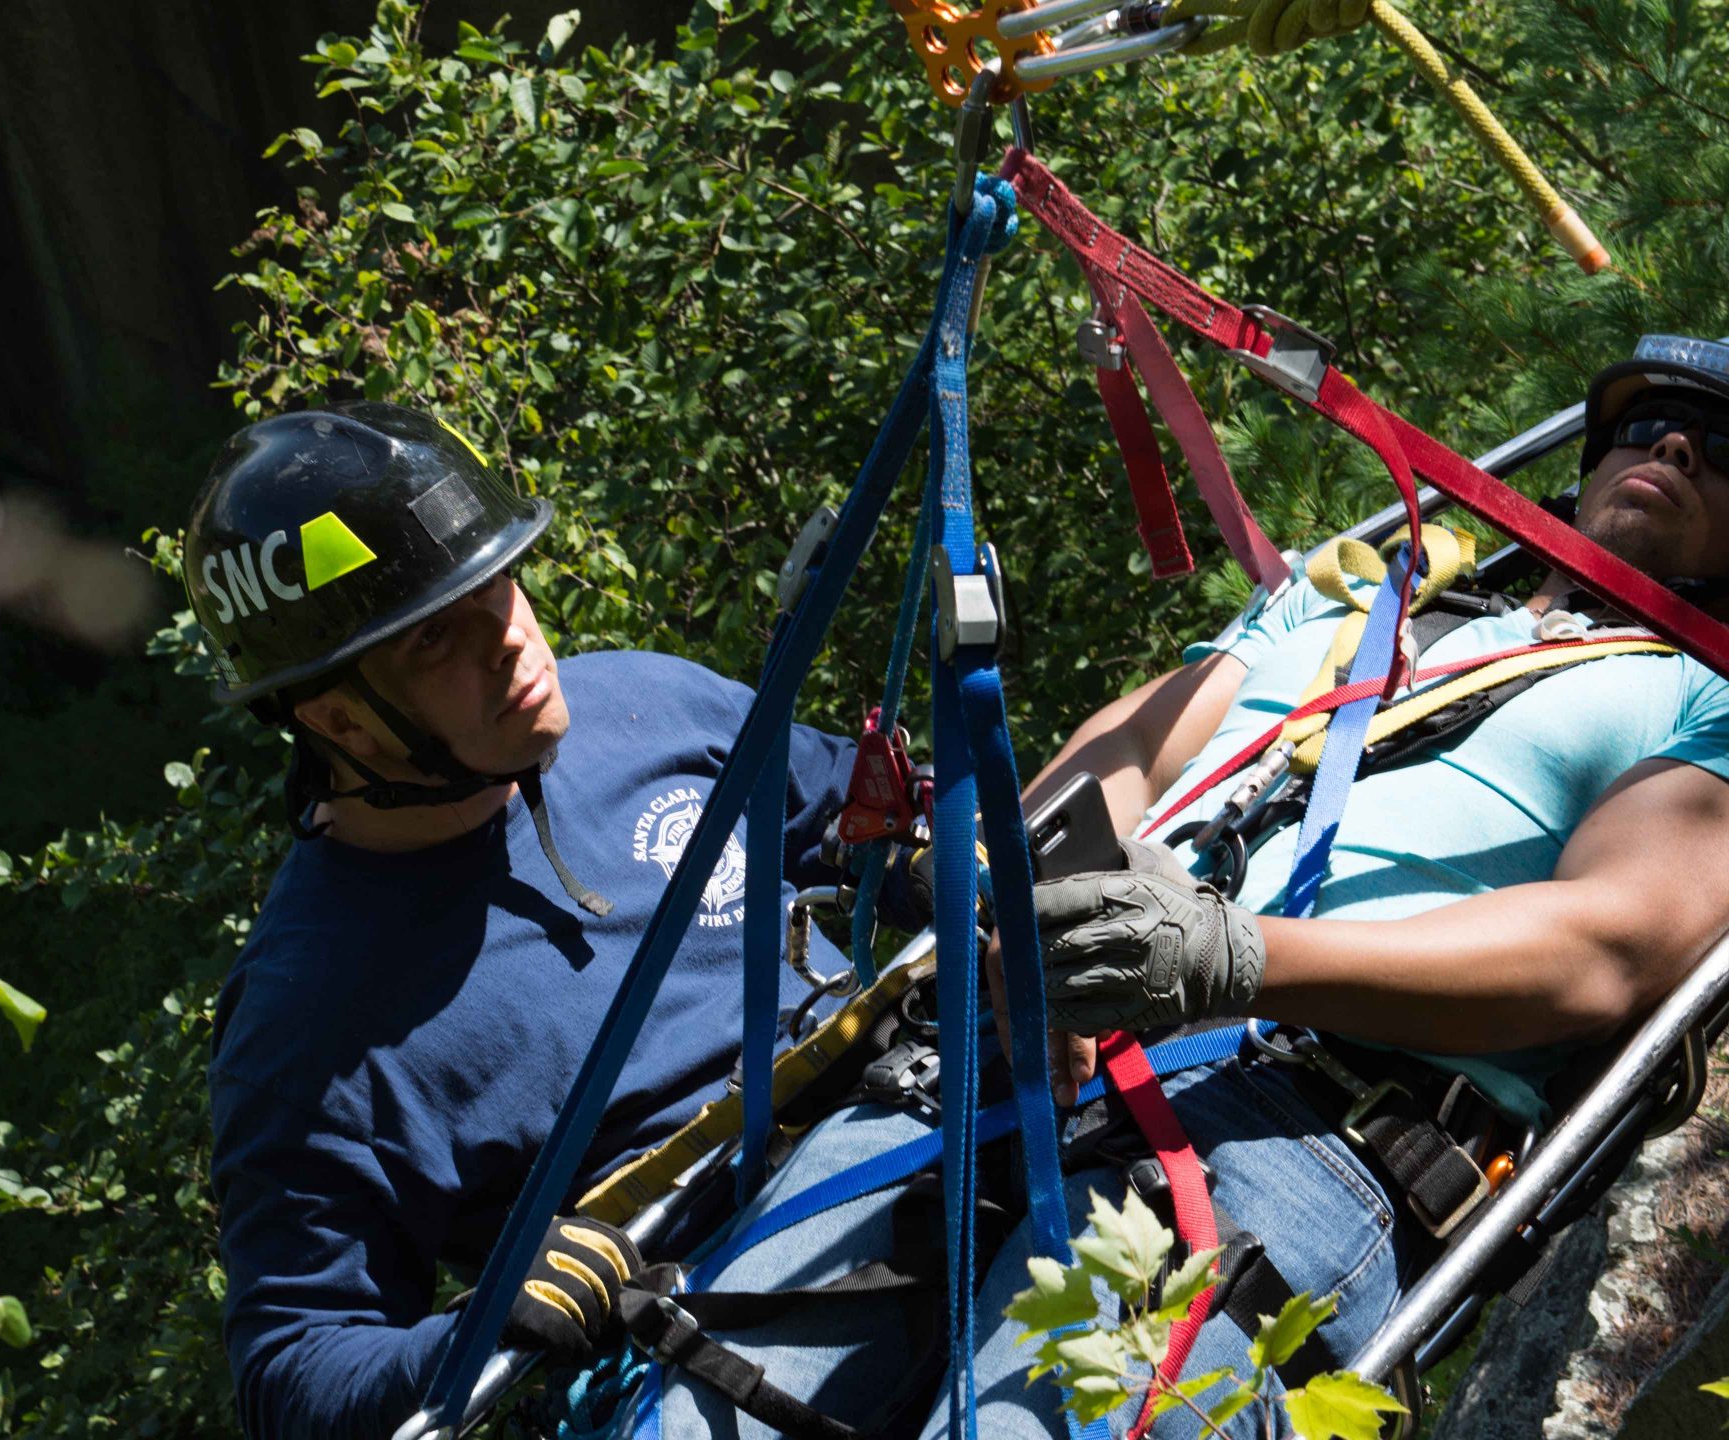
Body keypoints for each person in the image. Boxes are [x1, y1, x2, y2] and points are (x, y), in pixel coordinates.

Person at [638, 334, 1729, 1439]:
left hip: (1298, 1132)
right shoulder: (1374, 589)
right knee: (696, 1413)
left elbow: (1610, 946)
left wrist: (1230, 959)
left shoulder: (1701, 702)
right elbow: (1133, 751)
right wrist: (1021, 898)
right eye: (1646, 426)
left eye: (1722, 448)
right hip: (1003, 1049)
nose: (1674, 444)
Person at [186, 403, 900, 1440]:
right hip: (732, 1313)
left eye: (500, 585)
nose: (512, 639)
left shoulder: (642, 704)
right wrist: (471, 1329)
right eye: (439, 636)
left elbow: (861, 810)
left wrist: (946, 859)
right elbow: (291, 1366)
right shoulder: (310, 1022)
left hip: (921, 1097)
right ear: (337, 720)